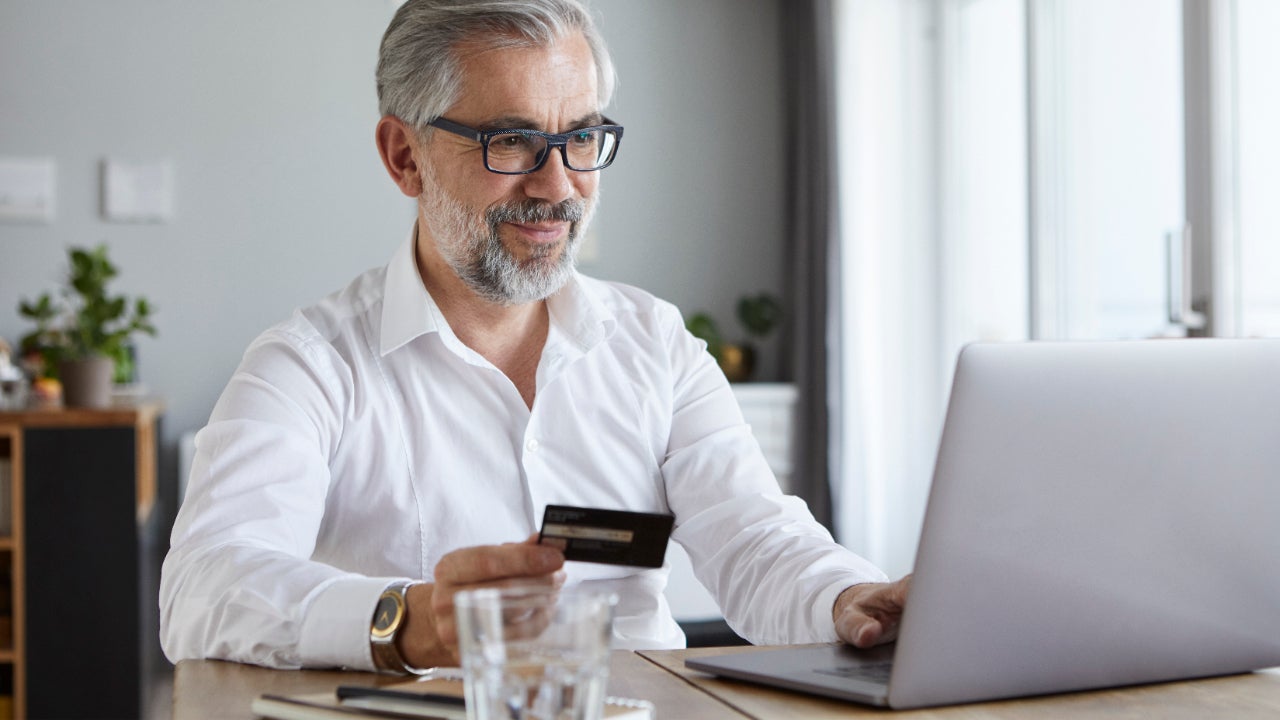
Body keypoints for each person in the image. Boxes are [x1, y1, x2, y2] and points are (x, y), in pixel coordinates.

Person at [159, 0, 909, 673]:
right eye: (512, 142)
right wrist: (406, 623)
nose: (557, 186)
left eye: (580, 137)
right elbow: (204, 585)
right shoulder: (309, 367)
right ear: (404, 156)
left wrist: (850, 598)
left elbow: (753, 538)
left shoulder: (655, 344)